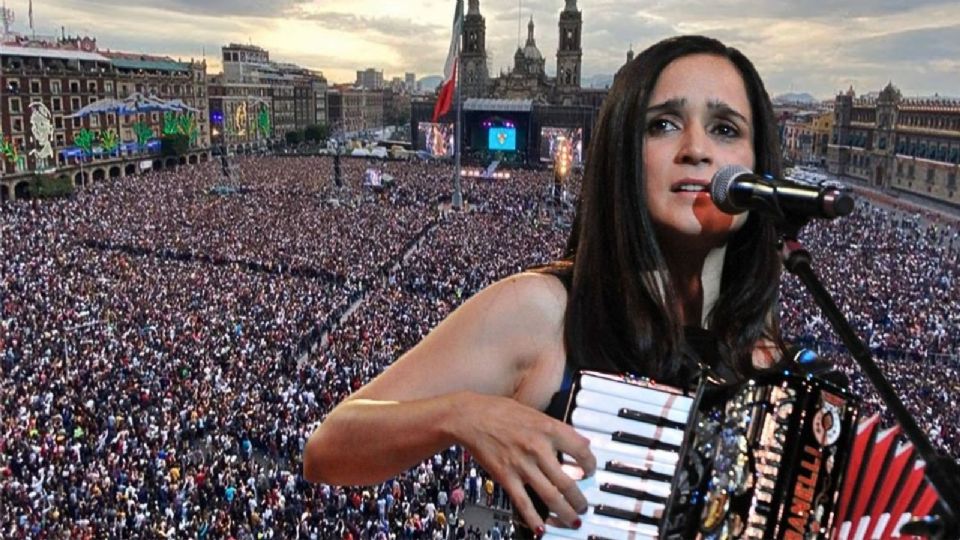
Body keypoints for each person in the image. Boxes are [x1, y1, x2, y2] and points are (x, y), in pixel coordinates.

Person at [303, 34, 785, 537]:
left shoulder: (765, 353)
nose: (697, 150)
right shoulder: (545, 312)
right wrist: (461, 414)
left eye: (725, 128)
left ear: (758, 164)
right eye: (663, 124)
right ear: (620, 151)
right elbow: (328, 448)